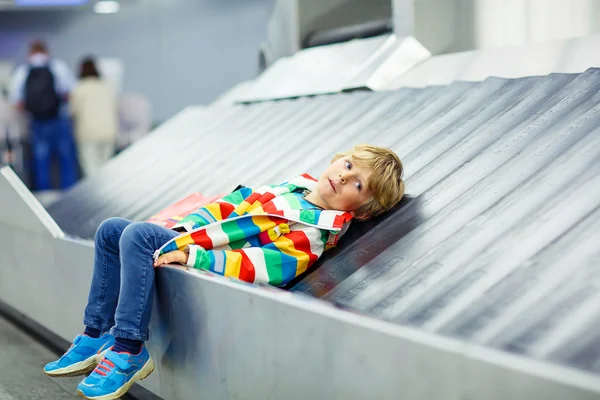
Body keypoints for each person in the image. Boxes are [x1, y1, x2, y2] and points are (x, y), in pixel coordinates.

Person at [43, 144, 405, 400]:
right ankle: (95, 333)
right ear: (338, 160)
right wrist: (184, 231)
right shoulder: (291, 188)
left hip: (208, 256)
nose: (344, 178)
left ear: (361, 212)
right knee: (110, 230)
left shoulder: (312, 233)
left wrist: (192, 256)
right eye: (348, 167)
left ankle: (128, 348)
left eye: (358, 185)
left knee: (137, 235)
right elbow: (224, 207)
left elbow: (262, 268)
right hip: (193, 238)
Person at [9, 40, 79, 191]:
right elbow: (70, 93)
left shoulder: (23, 71)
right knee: (66, 157)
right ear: (47, 51)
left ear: (30, 53)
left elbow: (16, 101)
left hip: (37, 121)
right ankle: (71, 191)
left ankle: (44, 194)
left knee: (41, 159)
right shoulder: (58, 67)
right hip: (59, 118)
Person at [71, 57, 118, 178]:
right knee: (105, 169)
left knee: (91, 171)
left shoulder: (79, 88)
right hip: (108, 132)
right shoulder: (107, 86)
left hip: (88, 134)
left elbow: (73, 111)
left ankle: (97, 195)